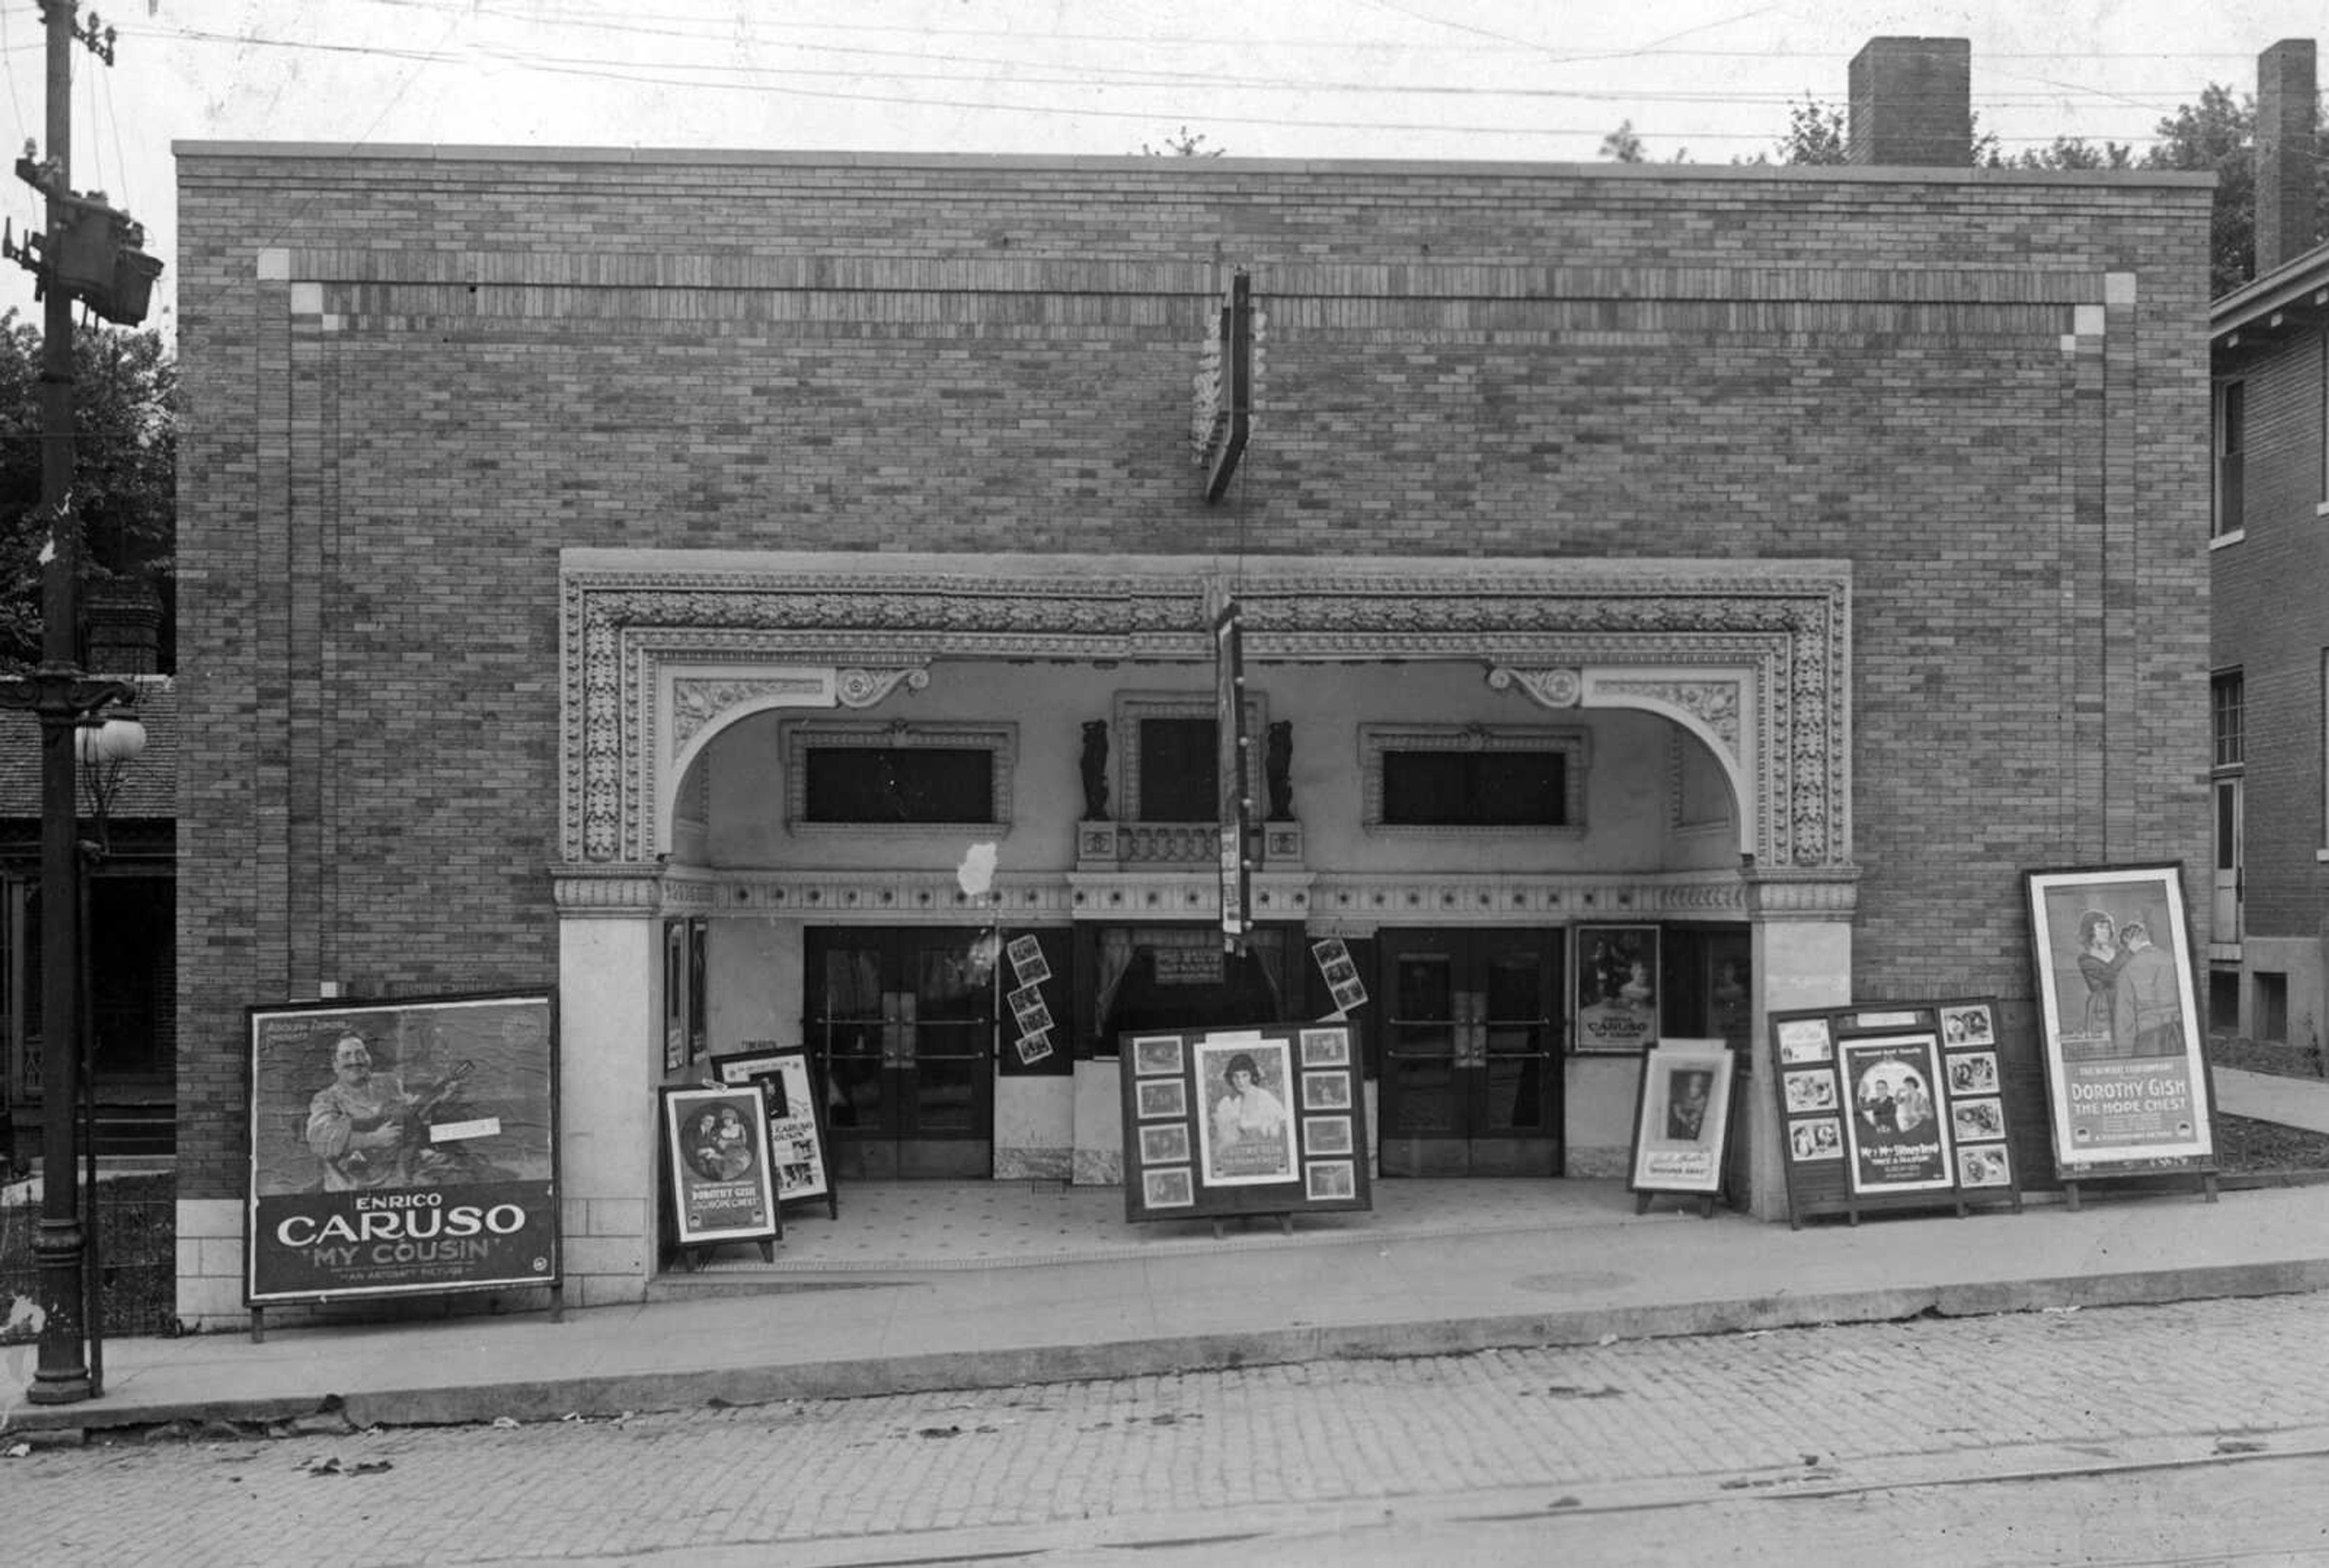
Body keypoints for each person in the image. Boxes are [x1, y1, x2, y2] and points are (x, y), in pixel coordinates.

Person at [305, 1033, 455, 1191]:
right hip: (355, 1183)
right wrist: (374, 1139)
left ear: (369, 1058)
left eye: (360, 1053)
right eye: (346, 1055)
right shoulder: (326, 1099)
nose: (355, 1061)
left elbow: (410, 1120)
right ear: (335, 1065)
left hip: (401, 1168)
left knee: (454, 1171)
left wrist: (436, 1100)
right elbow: (320, 1140)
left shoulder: (389, 1082)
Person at [2113, 920, 2182, 1057]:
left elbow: (2125, 1018)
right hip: (2178, 1033)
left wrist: (2124, 1054)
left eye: (2127, 946)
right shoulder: (2173, 961)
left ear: (2131, 941)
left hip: (2147, 1038)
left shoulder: (2127, 970)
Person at [1211, 1052, 1286, 1144]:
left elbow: (1281, 1124)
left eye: (1245, 1075)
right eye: (1236, 1076)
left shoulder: (1265, 1097)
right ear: (1231, 1078)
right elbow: (1223, 1137)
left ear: (1252, 1075)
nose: (1240, 1081)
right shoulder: (1227, 1102)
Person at [2076, 910, 2125, 1038]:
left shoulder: (2119, 952)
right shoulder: (2085, 959)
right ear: (2089, 930)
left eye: (2108, 927)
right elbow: (2110, 977)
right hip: (2101, 1007)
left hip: (2124, 1001)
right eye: (2101, 927)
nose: (2106, 931)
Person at [1665, 1069, 1712, 1140]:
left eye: (1698, 1087)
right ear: (1689, 1086)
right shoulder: (1684, 1095)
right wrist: (1680, 1115)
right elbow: (1676, 1106)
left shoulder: (1703, 1100)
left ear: (1702, 1088)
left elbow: (1698, 1114)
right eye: (1692, 1086)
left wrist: (1690, 1118)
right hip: (1681, 1122)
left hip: (1692, 1124)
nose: (1694, 1090)